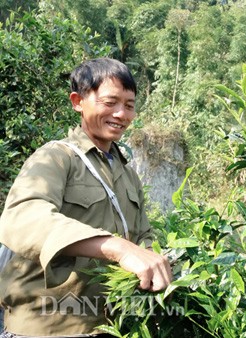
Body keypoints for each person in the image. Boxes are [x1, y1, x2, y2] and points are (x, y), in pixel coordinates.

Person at [0, 58, 173, 337]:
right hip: (46, 328)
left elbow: (142, 235)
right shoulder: (56, 157)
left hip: (110, 327)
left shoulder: (127, 174)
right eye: (110, 102)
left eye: (129, 105)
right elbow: (22, 217)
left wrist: (155, 258)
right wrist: (118, 248)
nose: (121, 114)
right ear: (78, 101)